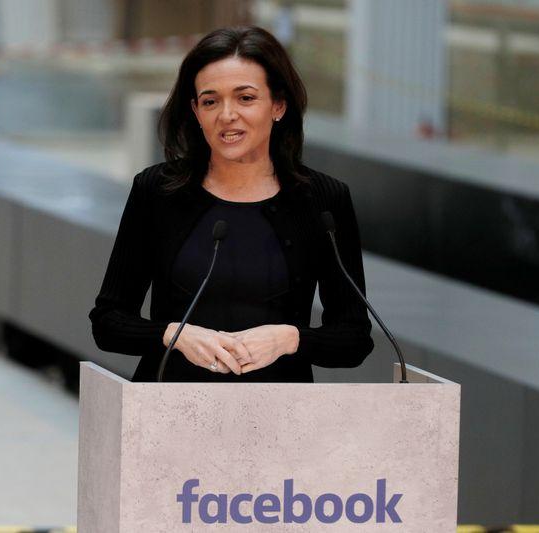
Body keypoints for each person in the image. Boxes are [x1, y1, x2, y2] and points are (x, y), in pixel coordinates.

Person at [88, 25, 373, 382]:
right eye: (210, 101)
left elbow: (354, 339)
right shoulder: (157, 191)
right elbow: (108, 322)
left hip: (281, 418)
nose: (226, 115)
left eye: (245, 98)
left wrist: (290, 338)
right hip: (169, 414)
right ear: (195, 110)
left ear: (278, 105)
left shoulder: (323, 200)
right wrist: (174, 335)